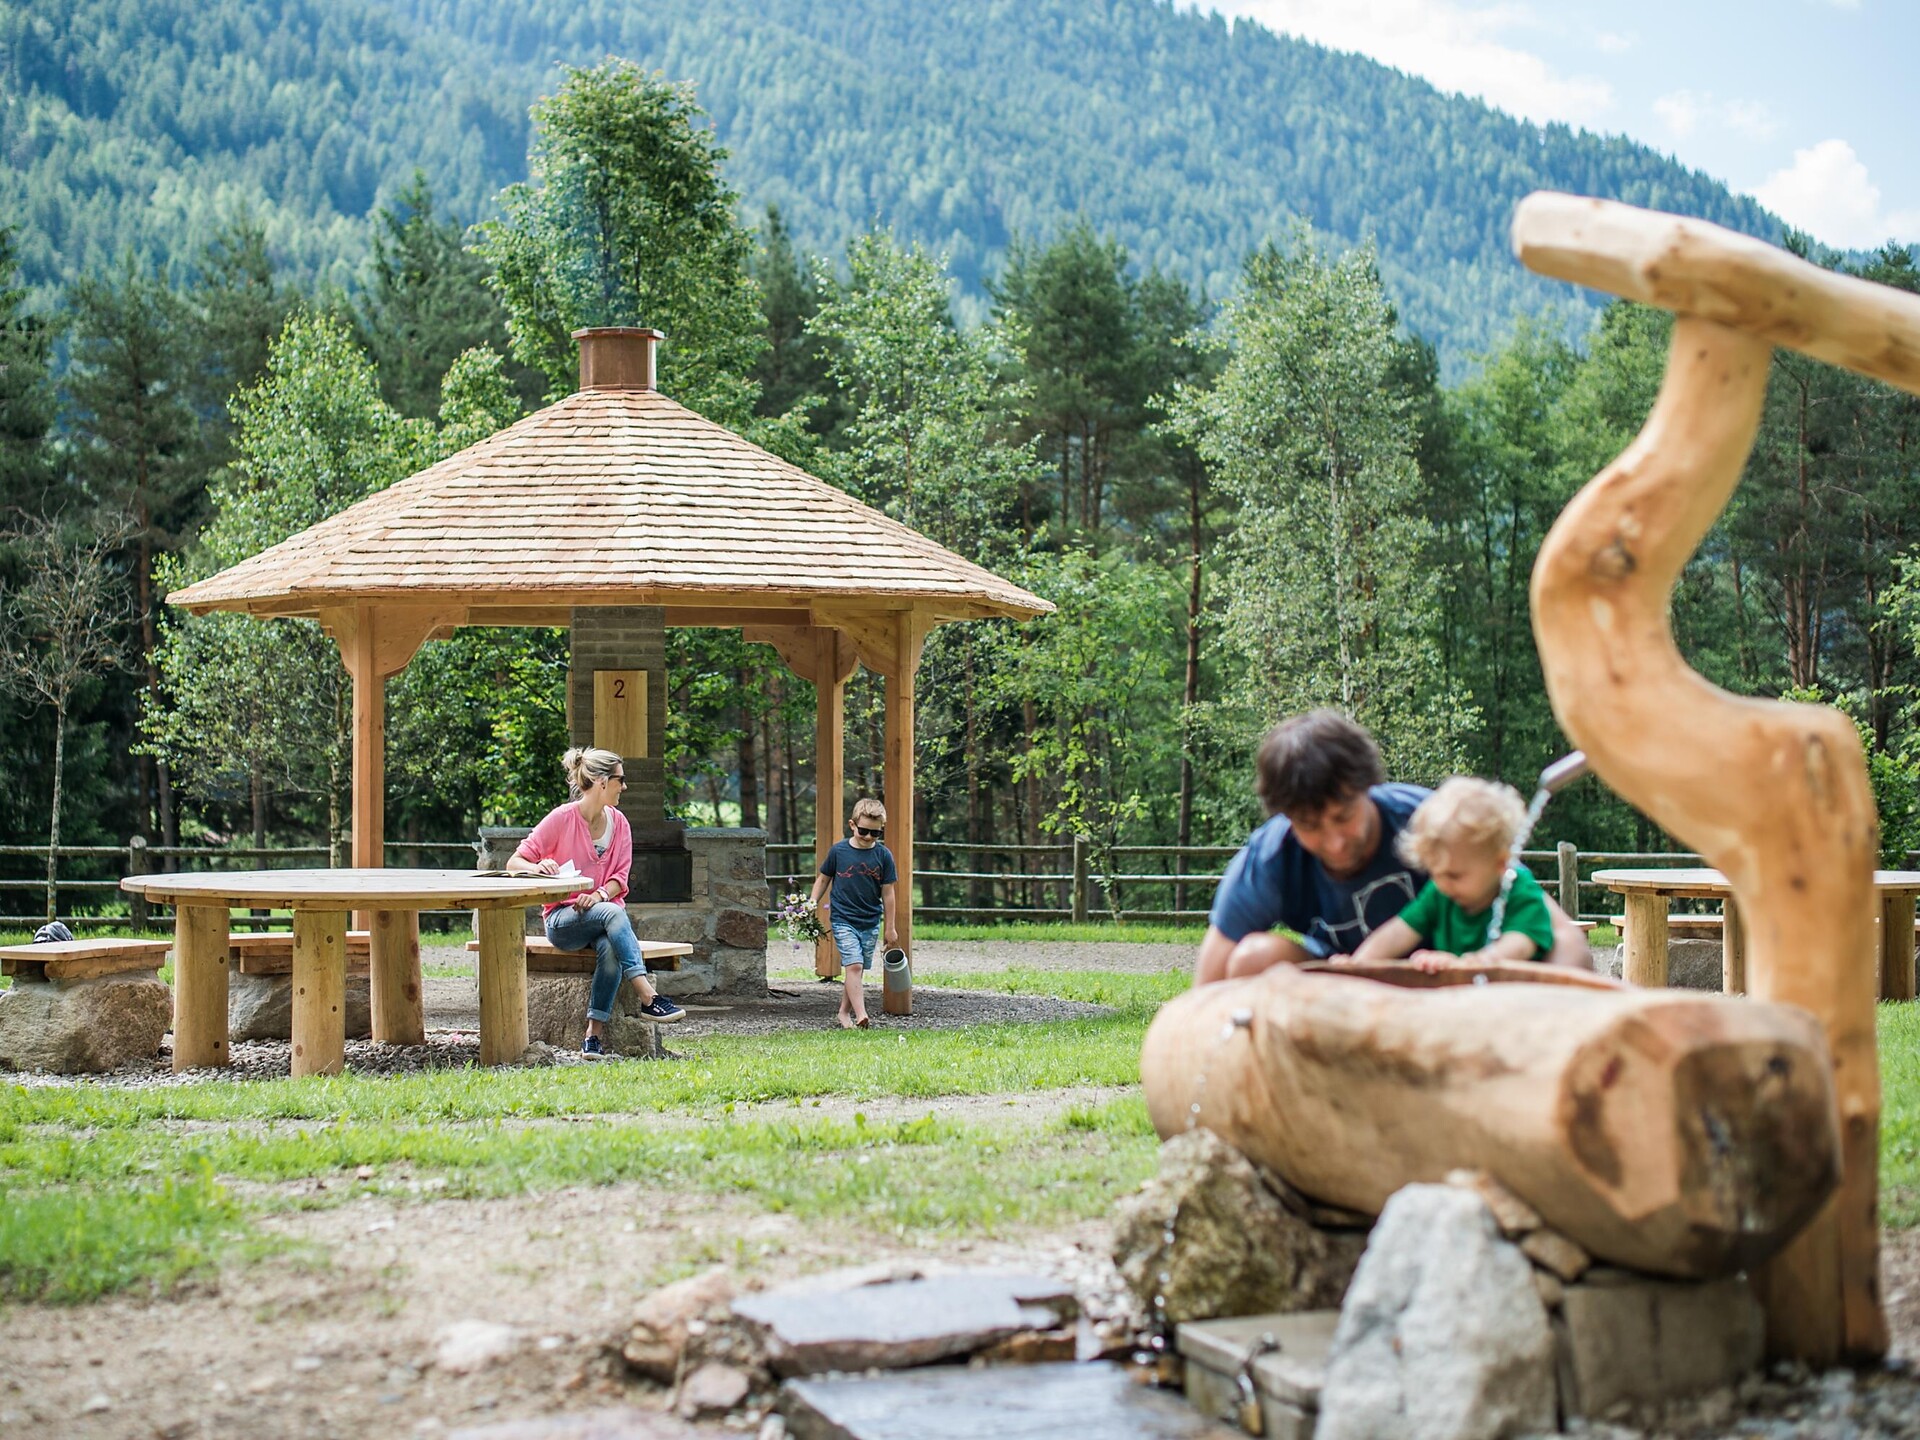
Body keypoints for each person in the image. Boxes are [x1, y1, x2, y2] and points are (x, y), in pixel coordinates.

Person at [1194, 710, 1589, 985]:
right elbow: (1211, 978)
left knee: (1569, 954)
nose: (1334, 841)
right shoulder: (1271, 857)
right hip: (1345, 982)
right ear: (1286, 818)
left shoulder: (1433, 822)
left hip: (1444, 981)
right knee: (1252, 959)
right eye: (1311, 826)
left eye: (1343, 816)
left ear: (1369, 789)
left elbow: (1562, 935)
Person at [506, 746, 683, 1054]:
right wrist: (537, 867)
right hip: (563, 920)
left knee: (610, 947)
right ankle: (648, 997)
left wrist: (599, 895)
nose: (624, 787)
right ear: (602, 782)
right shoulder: (561, 818)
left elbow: (620, 879)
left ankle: (593, 1037)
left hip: (602, 916)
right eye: (620, 780)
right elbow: (514, 863)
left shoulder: (620, 824)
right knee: (612, 915)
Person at [1349, 777, 1555, 970]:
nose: (1442, 884)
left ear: (1500, 863)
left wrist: (1470, 964)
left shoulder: (1519, 892)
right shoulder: (1440, 893)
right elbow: (1397, 933)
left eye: (1454, 875)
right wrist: (1358, 964)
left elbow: (1520, 944)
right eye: (1434, 874)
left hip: (1518, 1001)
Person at [809, 797, 899, 1029]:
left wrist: (890, 928)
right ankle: (861, 1015)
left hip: (870, 921)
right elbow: (823, 879)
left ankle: (843, 1013)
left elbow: (888, 894)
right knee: (854, 966)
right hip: (843, 919)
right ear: (852, 825)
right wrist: (811, 902)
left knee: (856, 970)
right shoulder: (839, 851)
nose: (868, 837)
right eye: (863, 831)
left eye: (875, 833)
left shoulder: (883, 856)